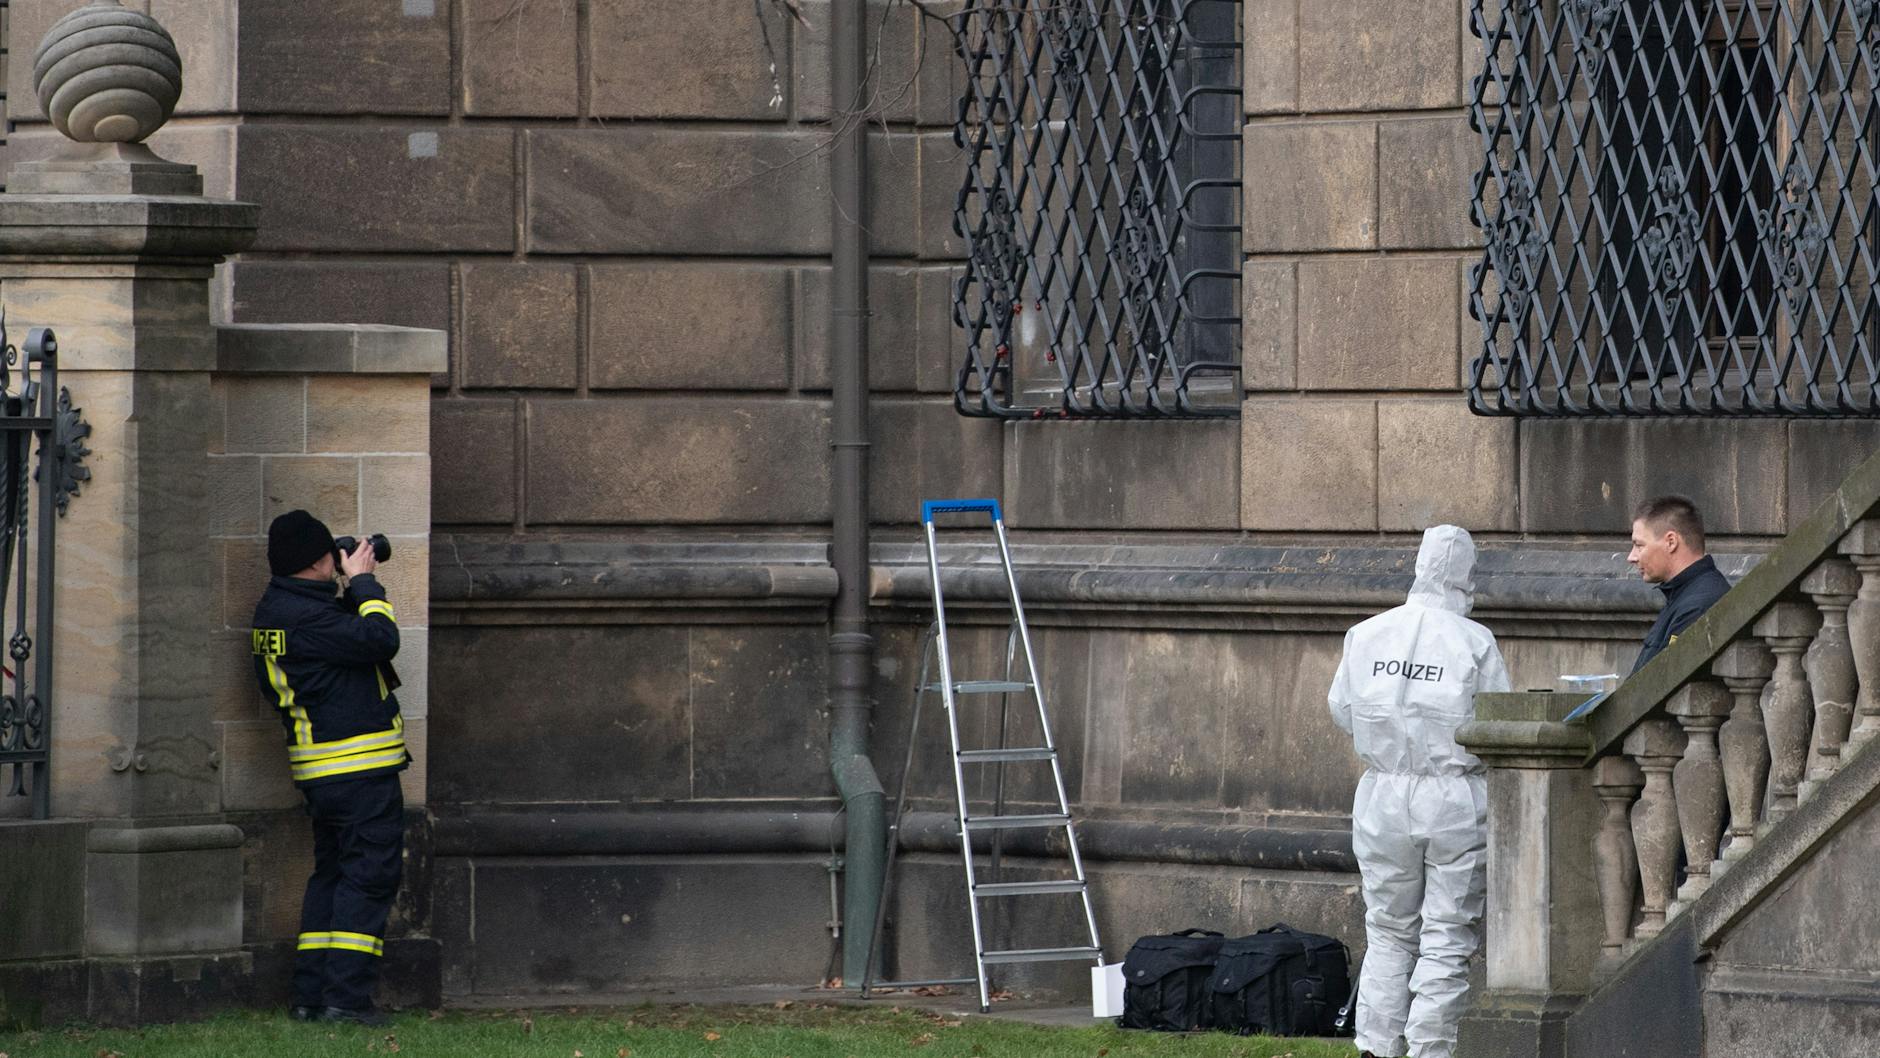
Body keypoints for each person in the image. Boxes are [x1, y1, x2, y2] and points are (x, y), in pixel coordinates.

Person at [1328, 525, 1511, 1058]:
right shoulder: (1473, 640)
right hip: (1454, 797)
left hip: (1383, 795)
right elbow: (1496, 721)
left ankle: (1376, 1047)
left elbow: (1342, 710)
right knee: (1447, 934)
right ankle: (1430, 1050)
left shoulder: (1368, 634)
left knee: (1387, 929)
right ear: (1465, 574)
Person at [252, 509, 408, 1027]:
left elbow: (336, 639)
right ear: (321, 560)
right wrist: (364, 581)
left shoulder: (275, 612)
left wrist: (345, 587)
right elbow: (380, 639)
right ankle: (348, 1002)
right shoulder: (310, 619)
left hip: (321, 774)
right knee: (368, 881)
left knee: (333, 879)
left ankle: (310, 998)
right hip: (359, 771)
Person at [1628, 494, 1732, 673]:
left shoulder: (1698, 605)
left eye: (1639, 545)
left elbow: (1661, 685)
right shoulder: (1686, 596)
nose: (1631, 557)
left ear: (1671, 542)